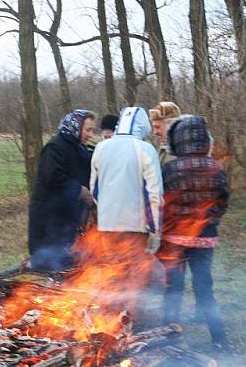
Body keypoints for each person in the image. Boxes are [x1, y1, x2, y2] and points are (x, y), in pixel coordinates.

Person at [157, 115, 230, 352]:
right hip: (205, 238)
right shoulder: (217, 167)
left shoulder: (169, 168)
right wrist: (210, 220)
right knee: (204, 288)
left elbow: (162, 202)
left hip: (174, 239)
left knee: (174, 289)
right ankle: (219, 340)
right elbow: (223, 200)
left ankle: (168, 338)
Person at [90, 106, 163, 259]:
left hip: (107, 226)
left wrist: (107, 211)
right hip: (135, 228)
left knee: (113, 274)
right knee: (134, 277)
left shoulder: (101, 148)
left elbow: (95, 190)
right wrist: (155, 230)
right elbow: (154, 194)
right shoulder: (146, 149)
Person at [28, 109, 96, 271]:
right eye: (88, 130)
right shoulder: (55, 147)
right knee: (48, 264)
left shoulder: (80, 149)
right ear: (75, 127)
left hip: (67, 220)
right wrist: (79, 190)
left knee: (67, 264)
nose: (91, 135)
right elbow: (52, 177)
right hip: (49, 219)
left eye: (92, 130)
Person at [149, 101, 181, 166]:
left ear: (170, 125)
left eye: (157, 127)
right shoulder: (163, 149)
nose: (155, 132)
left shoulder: (183, 151)